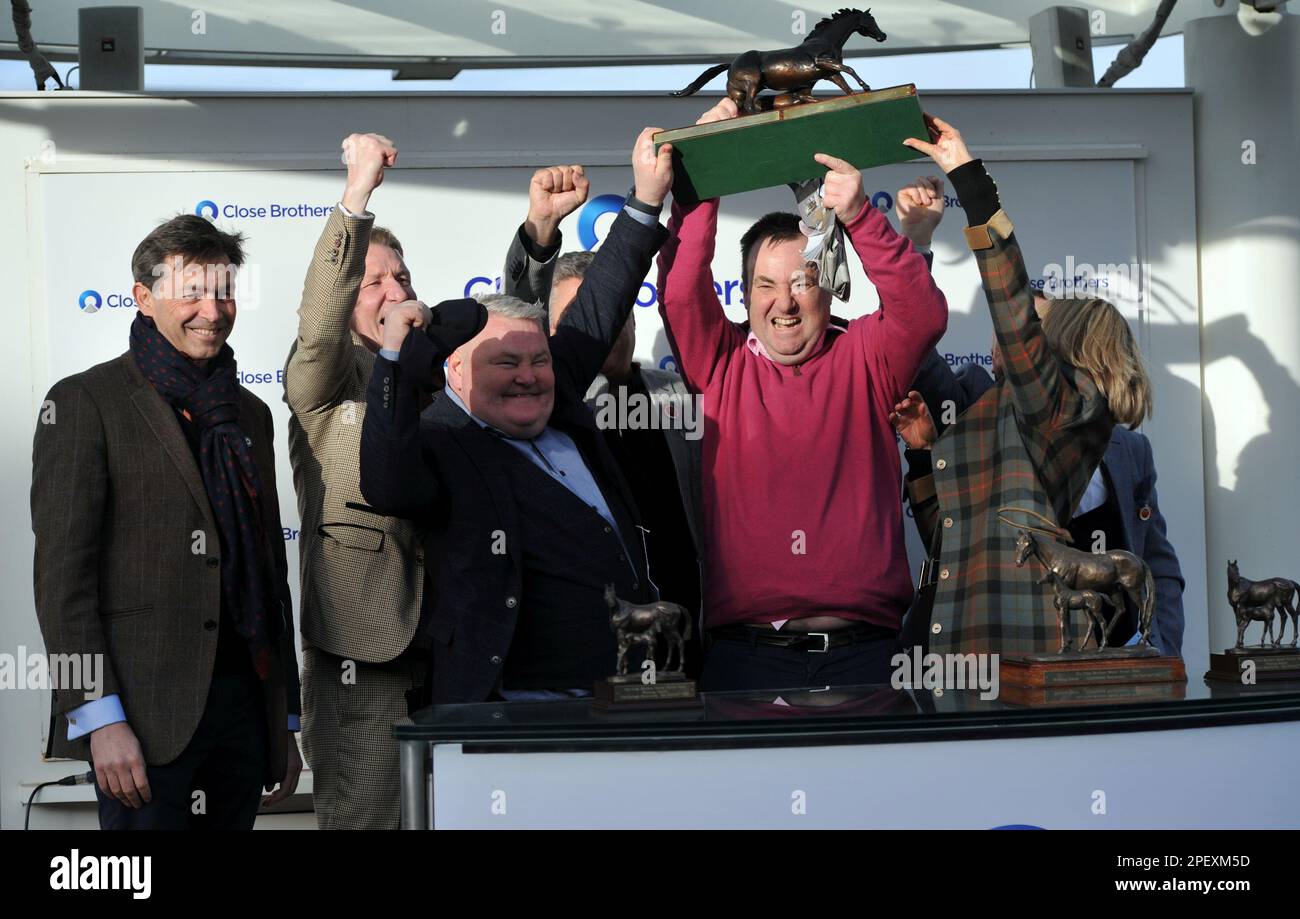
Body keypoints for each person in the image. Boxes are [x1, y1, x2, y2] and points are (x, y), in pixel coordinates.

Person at [359, 129, 674, 702]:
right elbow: (386, 483)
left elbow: (601, 302)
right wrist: (393, 362)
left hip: (628, 693)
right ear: (455, 371)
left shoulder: (555, 392)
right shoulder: (439, 441)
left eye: (537, 359)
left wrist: (646, 200)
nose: (528, 375)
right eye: (505, 362)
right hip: (518, 712)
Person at [655, 98, 948, 691]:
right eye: (765, 284)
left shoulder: (866, 356)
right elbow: (682, 290)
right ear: (743, 293)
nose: (783, 303)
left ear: (831, 291)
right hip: (745, 657)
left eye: (801, 282)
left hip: (868, 655)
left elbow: (921, 313)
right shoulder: (719, 362)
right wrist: (702, 180)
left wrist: (862, 216)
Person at [32, 215, 301, 829]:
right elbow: (62, 583)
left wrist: (282, 718)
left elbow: (268, 573)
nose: (212, 309)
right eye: (192, 292)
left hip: (242, 710)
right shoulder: (84, 402)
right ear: (144, 299)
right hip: (142, 721)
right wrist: (100, 720)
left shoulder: (250, 411)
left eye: (224, 291)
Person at [891, 113, 1156, 655]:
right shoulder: (1013, 417)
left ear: (1062, 345)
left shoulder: (1060, 409)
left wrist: (970, 180)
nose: (1012, 339)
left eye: (1037, 329)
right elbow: (950, 541)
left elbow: (1010, 302)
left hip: (1015, 654)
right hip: (956, 649)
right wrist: (922, 455)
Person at [282, 132, 437, 829]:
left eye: (402, 277)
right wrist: (357, 196)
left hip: (453, 649)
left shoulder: (439, 372)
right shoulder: (328, 374)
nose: (395, 290)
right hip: (363, 655)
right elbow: (317, 326)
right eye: (374, 280)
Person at [502, 210, 703, 675]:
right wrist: (537, 234)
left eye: (620, 306)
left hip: (686, 631)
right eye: (584, 315)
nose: (609, 324)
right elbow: (518, 312)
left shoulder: (680, 393)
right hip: (592, 643)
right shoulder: (547, 402)